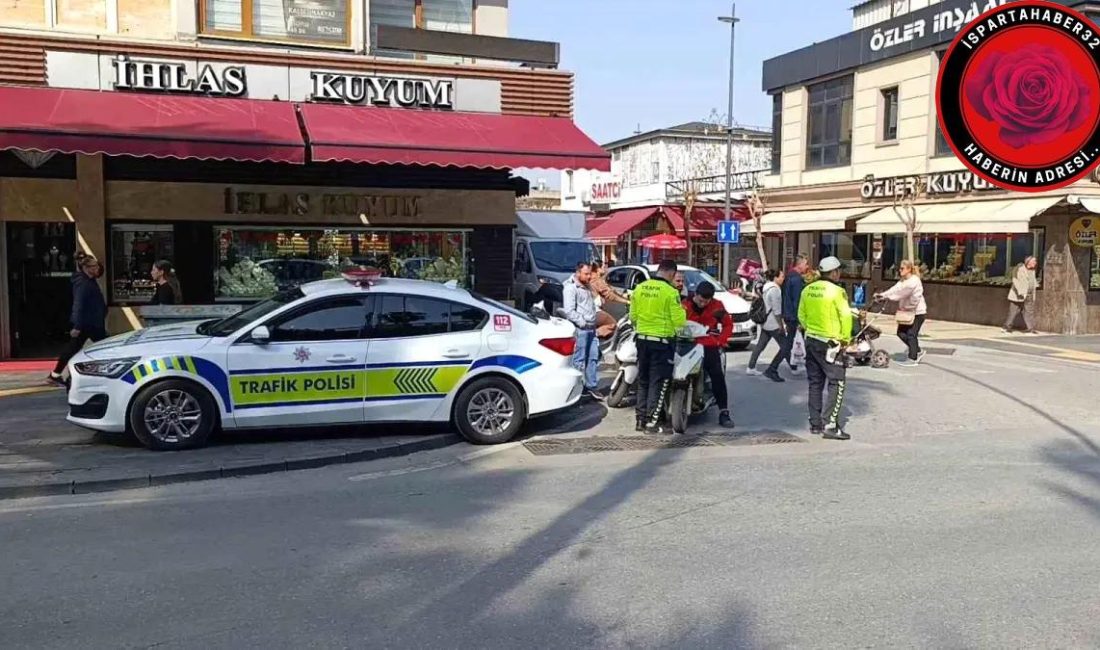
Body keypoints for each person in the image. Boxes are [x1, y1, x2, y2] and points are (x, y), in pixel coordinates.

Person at [798, 256, 853, 440]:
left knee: (815, 383)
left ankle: (815, 424)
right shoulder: (837, 292)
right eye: (839, 271)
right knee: (837, 382)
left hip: (811, 340)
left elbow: (801, 316)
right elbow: (846, 317)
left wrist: (811, 330)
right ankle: (830, 424)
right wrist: (845, 339)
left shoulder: (807, 290)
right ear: (835, 272)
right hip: (831, 342)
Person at [630, 259, 687, 434]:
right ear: (671, 274)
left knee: (643, 380)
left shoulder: (640, 288)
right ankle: (651, 422)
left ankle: (640, 420)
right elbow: (679, 321)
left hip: (642, 339)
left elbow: (632, 316)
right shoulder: (670, 292)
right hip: (662, 342)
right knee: (659, 382)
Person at [48, 254, 107, 386]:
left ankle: (56, 374)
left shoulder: (90, 280)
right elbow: (79, 305)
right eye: (94, 266)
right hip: (88, 323)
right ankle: (56, 374)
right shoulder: (83, 283)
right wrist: (77, 326)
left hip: (92, 322)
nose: (97, 268)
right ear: (86, 268)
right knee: (104, 346)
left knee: (74, 348)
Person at [684, 281, 734, 428]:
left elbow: (727, 324)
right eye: (700, 300)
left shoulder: (717, 306)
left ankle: (724, 412)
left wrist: (721, 340)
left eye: (706, 301)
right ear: (696, 295)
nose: (702, 304)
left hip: (709, 345)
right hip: (688, 345)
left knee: (717, 375)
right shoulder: (684, 305)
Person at [562, 262, 603, 401]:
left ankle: (591, 386)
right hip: (581, 329)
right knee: (579, 360)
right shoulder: (570, 288)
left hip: (591, 328)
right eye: (586, 273)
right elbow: (569, 311)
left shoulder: (587, 285)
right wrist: (582, 322)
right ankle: (577, 389)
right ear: (578, 273)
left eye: (590, 273)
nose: (589, 276)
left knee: (593, 358)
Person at [875, 260, 927, 367]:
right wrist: (882, 295)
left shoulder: (913, 282)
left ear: (909, 269)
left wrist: (886, 297)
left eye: (902, 268)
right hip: (907, 312)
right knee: (901, 333)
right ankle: (917, 350)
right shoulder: (903, 281)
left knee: (911, 334)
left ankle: (913, 358)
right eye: (900, 268)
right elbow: (894, 289)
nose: (900, 270)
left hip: (917, 312)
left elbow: (900, 294)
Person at [747, 269, 787, 383]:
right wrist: (781, 325)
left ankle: (750, 367)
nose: (783, 278)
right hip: (773, 323)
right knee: (785, 347)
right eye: (781, 276)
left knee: (760, 345)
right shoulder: (775, 290)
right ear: (775, 277)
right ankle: (772, 369)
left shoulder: (765, 287)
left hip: (765, 322)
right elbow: (777, 310)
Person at [781, 254, 810, 376]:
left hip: (787, 313)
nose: (807, 267)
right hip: (793, 315)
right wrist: (799, 320)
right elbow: (797, 300)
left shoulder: (789, 276)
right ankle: (773, 367)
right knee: (791, 342)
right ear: (800, 264)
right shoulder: (797, 279)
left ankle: (796, 364)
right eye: (806, 264)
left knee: (791, 341)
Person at [1003, 256, 1039, 334]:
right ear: (1028, 262)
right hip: (1018, 295)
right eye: (1034, 261)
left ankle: (1030, 328)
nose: (1035, 263)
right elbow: (1015, 281)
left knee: (1029, 312)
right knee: (1013, 311)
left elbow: (1032, 281)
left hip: (1029, 294)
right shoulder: (1019, 269)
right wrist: (1020, 292)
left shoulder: (1032, 271)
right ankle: (1007, 327)